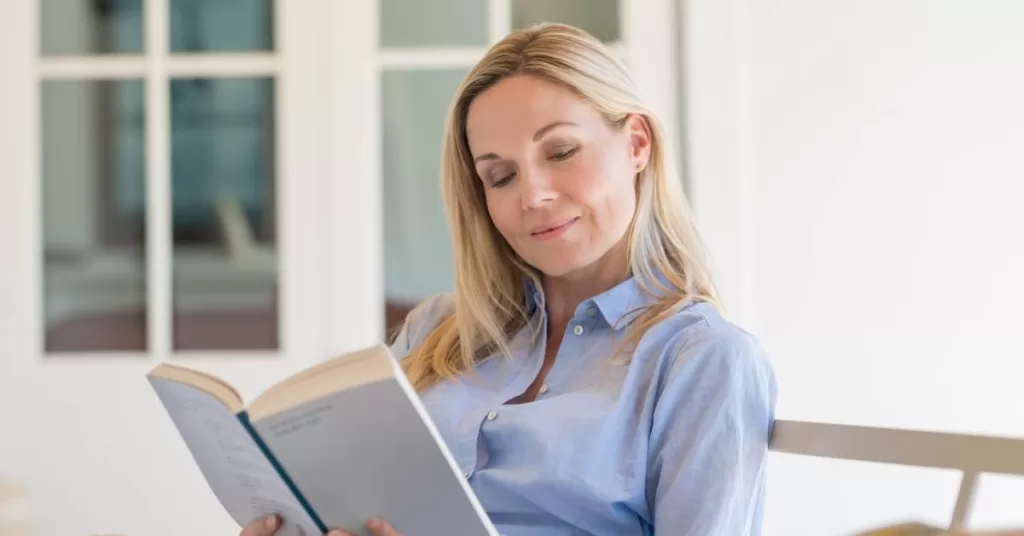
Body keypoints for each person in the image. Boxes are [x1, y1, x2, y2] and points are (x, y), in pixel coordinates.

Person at [243, 22, 777, 536]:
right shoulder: (434, 331)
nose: (533, 196)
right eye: (501, 176)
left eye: (562, 152)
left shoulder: (701, 360)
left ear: (637, 144)